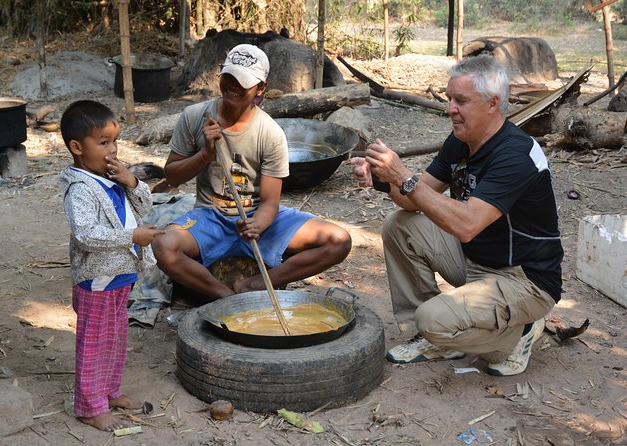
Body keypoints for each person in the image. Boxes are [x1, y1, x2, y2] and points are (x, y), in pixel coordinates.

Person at [351, 54, 563, 376]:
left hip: (524, 279)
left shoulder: (516, 154)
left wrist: (404, 176)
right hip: (477, 261)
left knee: (434, 318)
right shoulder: (462, 140)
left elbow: (466, 225)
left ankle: (518, 333)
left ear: (493, 104)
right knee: (399, 225)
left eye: (461, 101)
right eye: (450, 98)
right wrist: (386, 178)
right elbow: (414, 199)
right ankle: (431, 336)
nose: (450, 108)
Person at [153, 44, 351, 301]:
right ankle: (225, 298)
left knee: (338, 240)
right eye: (229, 77)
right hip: (210, 216)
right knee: (163, 246)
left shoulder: (270, 133)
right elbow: (172, 177)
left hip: (258, 218)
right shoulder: (194, 117)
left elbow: (270, 202)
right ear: (220, 76)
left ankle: (255, 284)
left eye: (243, 81)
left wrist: (259, 223)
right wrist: (205, 155)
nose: (233, 85)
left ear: (261, 88)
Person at [59, 100, 165, 431]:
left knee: (116, 339)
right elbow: (87, 235)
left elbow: (145, 204)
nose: (112, 150)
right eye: (103, 142)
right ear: (77, 147)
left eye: (115, 141)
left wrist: (131, 180)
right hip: (97, 278)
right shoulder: (79, 189)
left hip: (121, 273)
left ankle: (110, 391)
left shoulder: (111, 176)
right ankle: (90, 406)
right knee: (94, 342)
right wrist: (131, 235)